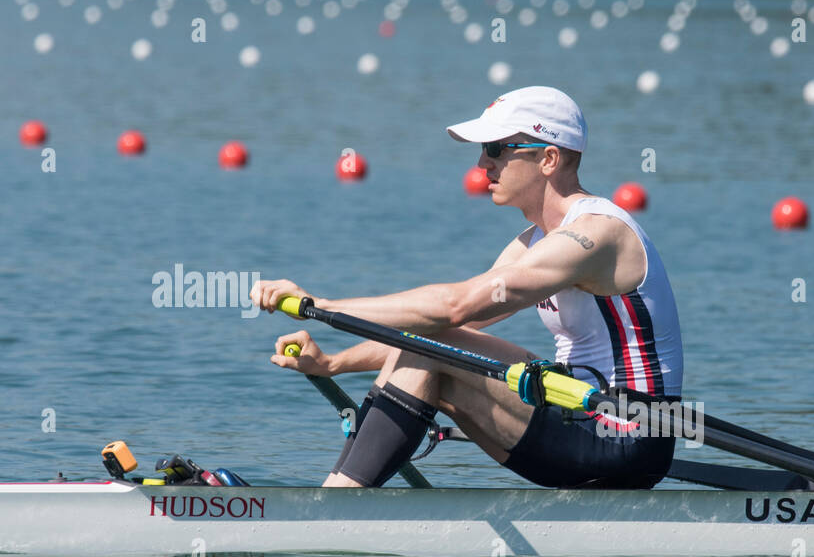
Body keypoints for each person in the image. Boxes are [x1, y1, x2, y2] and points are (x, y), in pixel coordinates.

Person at [251, 86, 683, 489]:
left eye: (497, 149)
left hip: (628, 434)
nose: (482, 166)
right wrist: (333, 363)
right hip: (577, 417)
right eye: (483, 150)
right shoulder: (534, 242)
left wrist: (318, 305)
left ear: (549, 159)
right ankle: (343, 497)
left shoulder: (596, 235)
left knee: (433, 340)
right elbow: (445, 328)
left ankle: (335, 505)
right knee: (432, 348)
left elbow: (454, 309)